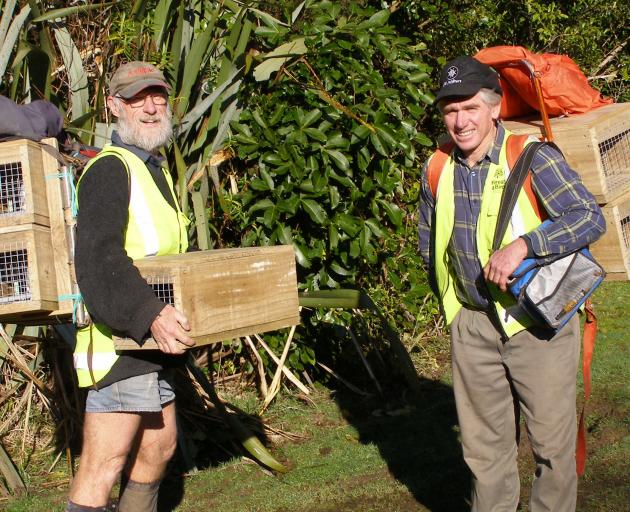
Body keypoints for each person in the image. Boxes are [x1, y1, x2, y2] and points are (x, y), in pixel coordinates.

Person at [417, 56, 606, 512]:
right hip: (472, 325)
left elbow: (588, 218)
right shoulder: (436, 168)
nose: (459, 121)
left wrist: (525, 246)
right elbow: (428, 244)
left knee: (551, 450)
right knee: (484, 455)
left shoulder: (533, 156)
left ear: (494, 108)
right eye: (450, 110)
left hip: (537, 326)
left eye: (469, 109)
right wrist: (459, 314)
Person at [67, 61, 196, 512]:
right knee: (105, 462)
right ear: (113, 106)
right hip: (118, 343)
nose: (151, 106)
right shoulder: (109, 169)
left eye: (158, 95)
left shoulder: (152, 169)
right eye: (137, 97)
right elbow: (99, 262)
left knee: (158, 448)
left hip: (146, 342)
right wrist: (151, 314)